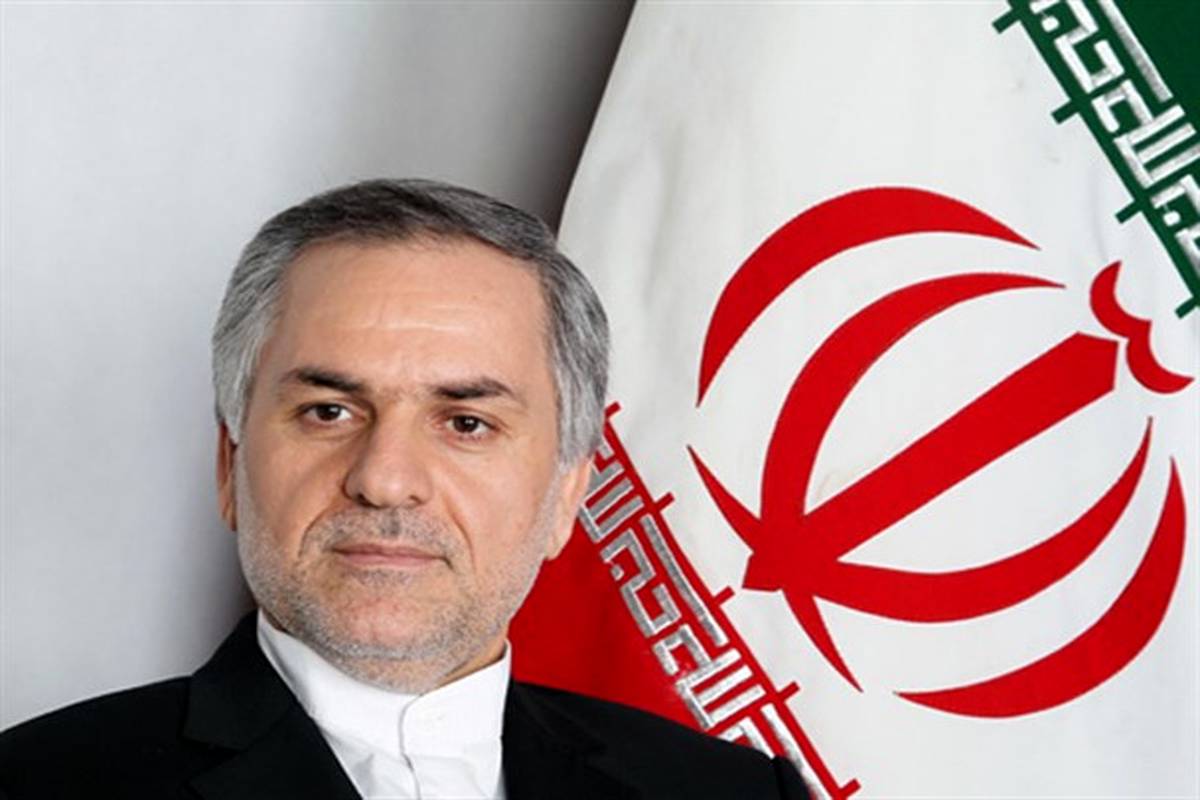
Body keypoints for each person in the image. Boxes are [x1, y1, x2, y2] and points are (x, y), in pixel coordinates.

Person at [0, 179, 810, 799]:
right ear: (229, 467)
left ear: (567, 495)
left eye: (466, 423)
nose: (384, 479)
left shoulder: (734, 794)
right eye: (328, 411)